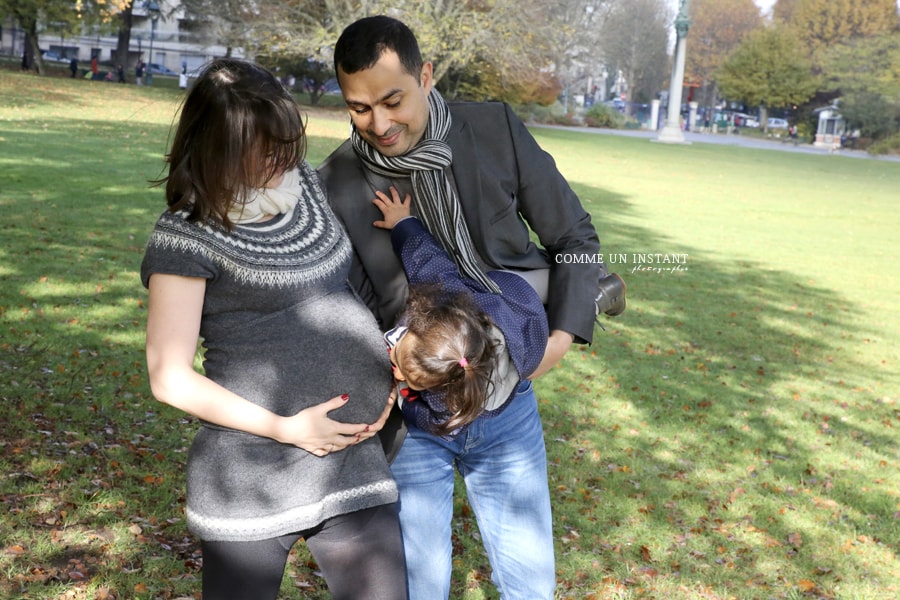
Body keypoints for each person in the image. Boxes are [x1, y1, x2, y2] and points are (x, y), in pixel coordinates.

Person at [318, 15, 623, 599]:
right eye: (359, 108)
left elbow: (576, 241)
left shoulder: (494, 129)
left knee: (530, 586)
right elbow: (345, 308)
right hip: (412, 418)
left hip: (508, 401)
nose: (378, 124)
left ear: (426, 76)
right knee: (418, 587)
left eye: (392, 100)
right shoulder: (337, 181)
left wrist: (556, 344)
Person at [141, 58, 407, 600]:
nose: (282, 160)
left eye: (286, 143)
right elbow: (170, 377)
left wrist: (390, 360)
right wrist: (287, 429)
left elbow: (344, 291)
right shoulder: (185, 237)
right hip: (253, 474)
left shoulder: (304, 185)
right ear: (217, 148)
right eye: (265, 150)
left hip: (353, 460)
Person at [374, 186, 548, 438]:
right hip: (512, 303)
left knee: (553, 288)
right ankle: (586, 284)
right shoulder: (447, 295)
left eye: (405, 374)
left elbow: (438, 423)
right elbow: (427, 259)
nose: (397, 373)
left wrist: (406, 403)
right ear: (424, 319)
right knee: (535, 288)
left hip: (521, 324)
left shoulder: (446, 400)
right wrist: (402, 221)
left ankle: (592, 291)